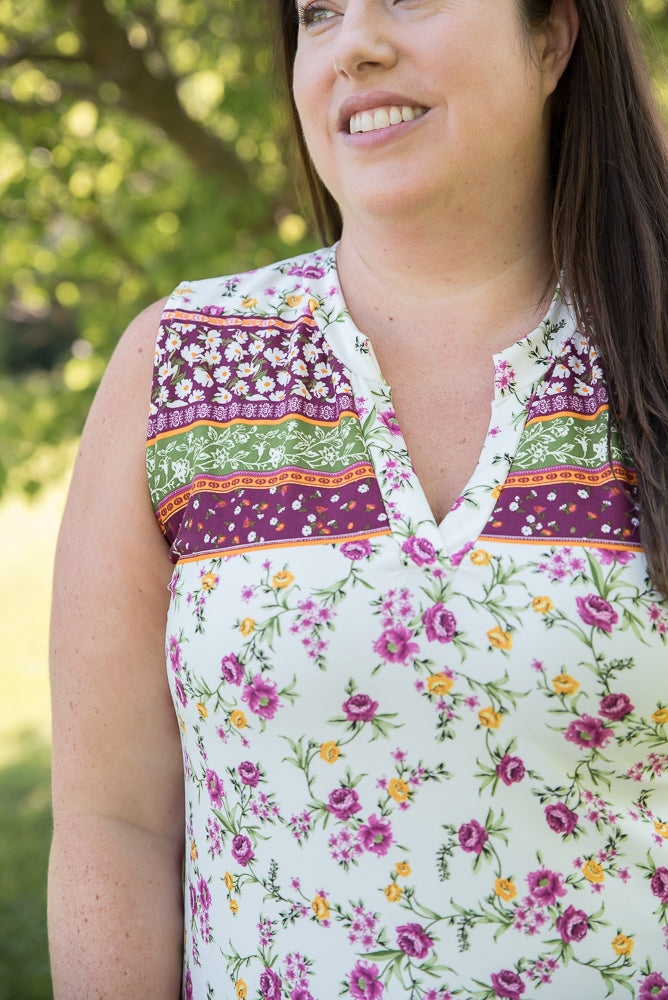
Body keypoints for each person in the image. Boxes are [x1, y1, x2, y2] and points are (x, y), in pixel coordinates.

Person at [48, 0, 668, 997]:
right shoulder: (181, 369)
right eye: (318, 13)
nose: (355, 44)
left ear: (549, 38)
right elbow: (112, 824)